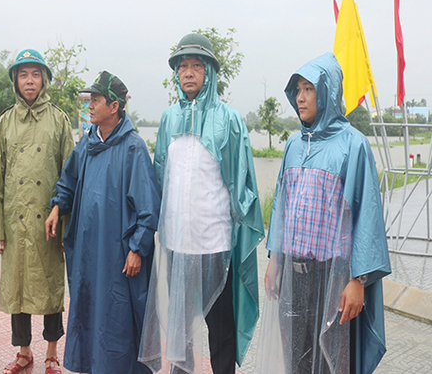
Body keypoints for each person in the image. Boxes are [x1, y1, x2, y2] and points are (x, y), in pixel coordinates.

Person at [255, 53, 391, 374]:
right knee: (295, 358)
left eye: (308, 89)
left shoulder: (353, 145)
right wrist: (275, 261)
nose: (300, 98)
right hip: (294, 276)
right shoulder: (293, 145)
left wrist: (358, 279)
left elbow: (366, 214)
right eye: (297, 90)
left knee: (331, 359)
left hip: (333, 279)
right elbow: (281, 208)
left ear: (327, 92)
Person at [139, 33, 265, 374]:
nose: (189, 72)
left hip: (215, 245)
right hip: (178, 246)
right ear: (177, 74)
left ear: (209, 72)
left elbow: (242, 184)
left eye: (197, 65)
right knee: (181, 331)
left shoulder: (229, 120)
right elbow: (160, 179)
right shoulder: (168, 120)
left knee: (220, 331)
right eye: (183, 66)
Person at [45, 71, 161, 374]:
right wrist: (58, 205)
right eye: (90, 100)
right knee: (89, 310)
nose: (90, 105)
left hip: (117, 256)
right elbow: (68, 180)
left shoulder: (133, 148)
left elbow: (148, 207)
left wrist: (138, 247)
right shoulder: (88, 143)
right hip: (88, 251)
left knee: (117, 317)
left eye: (96, 100)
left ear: (114, 106)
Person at [0, 48, 74, 374]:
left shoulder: (59, 120)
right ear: (15, 81)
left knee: (50, 287)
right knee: (17, 288)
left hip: (49, 222)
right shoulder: (5, 121)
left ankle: (51, 352)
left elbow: (70, 173)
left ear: (45, 79)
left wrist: (67, 224)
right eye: (23, 74)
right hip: (15, 219)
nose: (30, 81)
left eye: (36, 74)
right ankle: (24, 352)